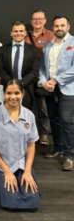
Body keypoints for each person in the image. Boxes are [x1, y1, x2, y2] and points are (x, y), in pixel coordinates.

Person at [0, 79, 40, 209]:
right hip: (1, 165)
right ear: (3, 94)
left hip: (21, 164)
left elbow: (31, 144)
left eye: (17, 93)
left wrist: (27, 171)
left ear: (22, 94)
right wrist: (6, 171)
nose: (13, 97)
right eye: (9, 93)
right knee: (10, 204)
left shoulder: (29, 115)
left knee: (32, 202)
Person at [38, 15, 74, 169]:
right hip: (50, 88)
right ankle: (58, 148)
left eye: (62, 25)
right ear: (52, 28)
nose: (59, 28)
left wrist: (56, 80)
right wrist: (43, 82)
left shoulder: (73, 43)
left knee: (67, 121)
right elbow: (42, 68)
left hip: (67, 87)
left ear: (68, 27)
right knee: (53, 119)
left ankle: (69, 155)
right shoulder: (47, 46)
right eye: (56, 26)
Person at [24, 10, 55, 146]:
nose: (37, 21)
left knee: (42, 107)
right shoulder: (24, 35)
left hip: (42, 78)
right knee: (26, 107)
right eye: (35, 19)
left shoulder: (50, 35)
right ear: (31, 21)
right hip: (27, 77)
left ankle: (43, 134)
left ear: (45, 20)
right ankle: (27, 133)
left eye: (40, 19)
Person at [0, 21, 40, 109]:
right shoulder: (2, 49)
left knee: (23, 117)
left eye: (21, 31)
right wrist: (11, 84)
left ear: (25, 33)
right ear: (11, 33)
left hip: (26, 88)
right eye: (15, 31)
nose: (18, 33)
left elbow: (34, 71)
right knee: (4, 115)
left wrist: (19, 84)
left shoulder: (33, 50)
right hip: (6, 87)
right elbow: (0, 69)